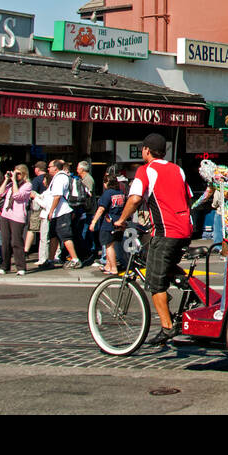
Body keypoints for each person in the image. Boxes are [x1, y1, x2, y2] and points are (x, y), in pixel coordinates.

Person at [114, 133, 194, 347]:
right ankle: (188, 289)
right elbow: (188, 196)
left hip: (166, 231)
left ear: (147, 150)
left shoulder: (145, 170)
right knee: (157, 259)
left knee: (154, 283)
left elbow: (136, 198)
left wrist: (121, 219)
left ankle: (167, 327)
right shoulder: (177, 169)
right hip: (185, 230)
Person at [45, 160, 82, 269]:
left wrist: (51, 211)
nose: (48, 169)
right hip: (58, 213)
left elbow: (57, 196)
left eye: (50, 166)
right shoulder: (59, 177)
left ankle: (75, 259)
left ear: (56, 168)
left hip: (62, 212)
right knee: (53, 236)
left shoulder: (60, 178)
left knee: (65, 236)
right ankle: (50, 259)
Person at [0, 166, 32, 276]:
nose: (17, 176)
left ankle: (20, 267)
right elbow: (0, 193)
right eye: (16, 173)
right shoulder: (11, 184)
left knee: (16, 242)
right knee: (5, 242)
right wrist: (7, 179)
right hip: (6, 215)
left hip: (18, 216)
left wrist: (14, 181)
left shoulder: (27, 185)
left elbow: (16, 195)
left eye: (19, 174)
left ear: (24, 174)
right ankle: (4, 266)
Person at [89, 171, 127, 275]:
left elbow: (101, 209)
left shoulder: (108, 193)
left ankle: (113, 268)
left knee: (109, 246)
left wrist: (93, 222)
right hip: (119, 221)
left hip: (108, 222)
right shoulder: (121, 193)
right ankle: (108, 265)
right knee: (114, 244)